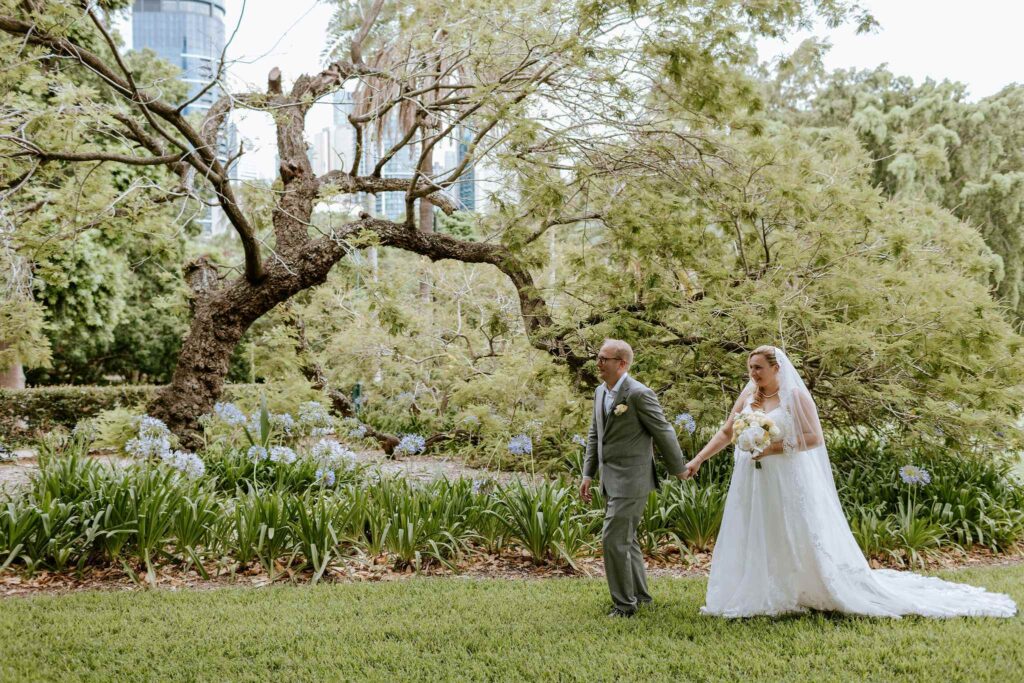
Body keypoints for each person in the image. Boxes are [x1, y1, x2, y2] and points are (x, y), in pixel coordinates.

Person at [683, 345, 1017, 618]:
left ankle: (802, 586)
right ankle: (758, 588)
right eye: (750, 367)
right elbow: (728, 432)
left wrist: (768, 448)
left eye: (758, 367)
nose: (752, 373)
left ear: (776, 368)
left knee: (792, 529)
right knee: (756, 528)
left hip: (784, 476)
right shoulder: (748, 396)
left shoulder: (794, 397)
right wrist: (698, 459)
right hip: (751, 479)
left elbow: (814, 438)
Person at [580, 339, 688, 617]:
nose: (598, 363)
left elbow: (663, 431)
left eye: (604, 358)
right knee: (627, 540)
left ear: (622, 363)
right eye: (599, 357)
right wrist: (588, 473)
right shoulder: (600, 392)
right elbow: (596, 434)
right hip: (609, 478)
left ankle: (624, 606)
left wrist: (679, 469)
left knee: (613, 540)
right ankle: (640, 596)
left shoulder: (639, 394)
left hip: (632, 479)